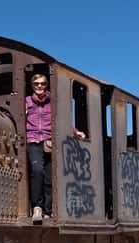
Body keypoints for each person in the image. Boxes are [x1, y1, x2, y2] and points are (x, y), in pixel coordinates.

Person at [26, 74, 85, 224]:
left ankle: (48, 210)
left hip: (49, 141)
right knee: (37, 170)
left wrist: (75, 131)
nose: (40, 86)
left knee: (50, 177)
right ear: (32, 85)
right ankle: (37, 207)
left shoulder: (52, 102)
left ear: (46, 85)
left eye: (43, 84)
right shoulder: (26, 102)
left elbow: (62, 119)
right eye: (36, 84)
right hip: (33, 141)